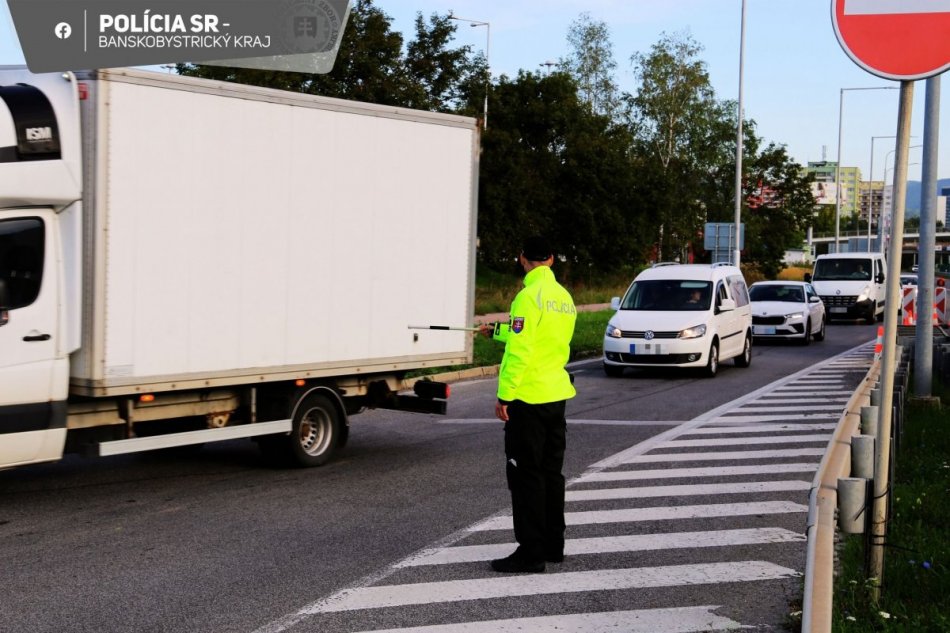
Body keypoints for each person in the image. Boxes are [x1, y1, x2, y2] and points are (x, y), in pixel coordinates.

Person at [479, 235, 577, 574]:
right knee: (552, 474)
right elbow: (539, 338)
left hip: (528, 399)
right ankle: (553, 545)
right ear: (550, 258)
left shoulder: (527, 296)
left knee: (525, 477)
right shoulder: (564, 298)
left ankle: (530, 553)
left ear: (523, 259)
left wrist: (505, 395)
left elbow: (521, 350)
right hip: (556, 397)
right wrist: (497, 332)